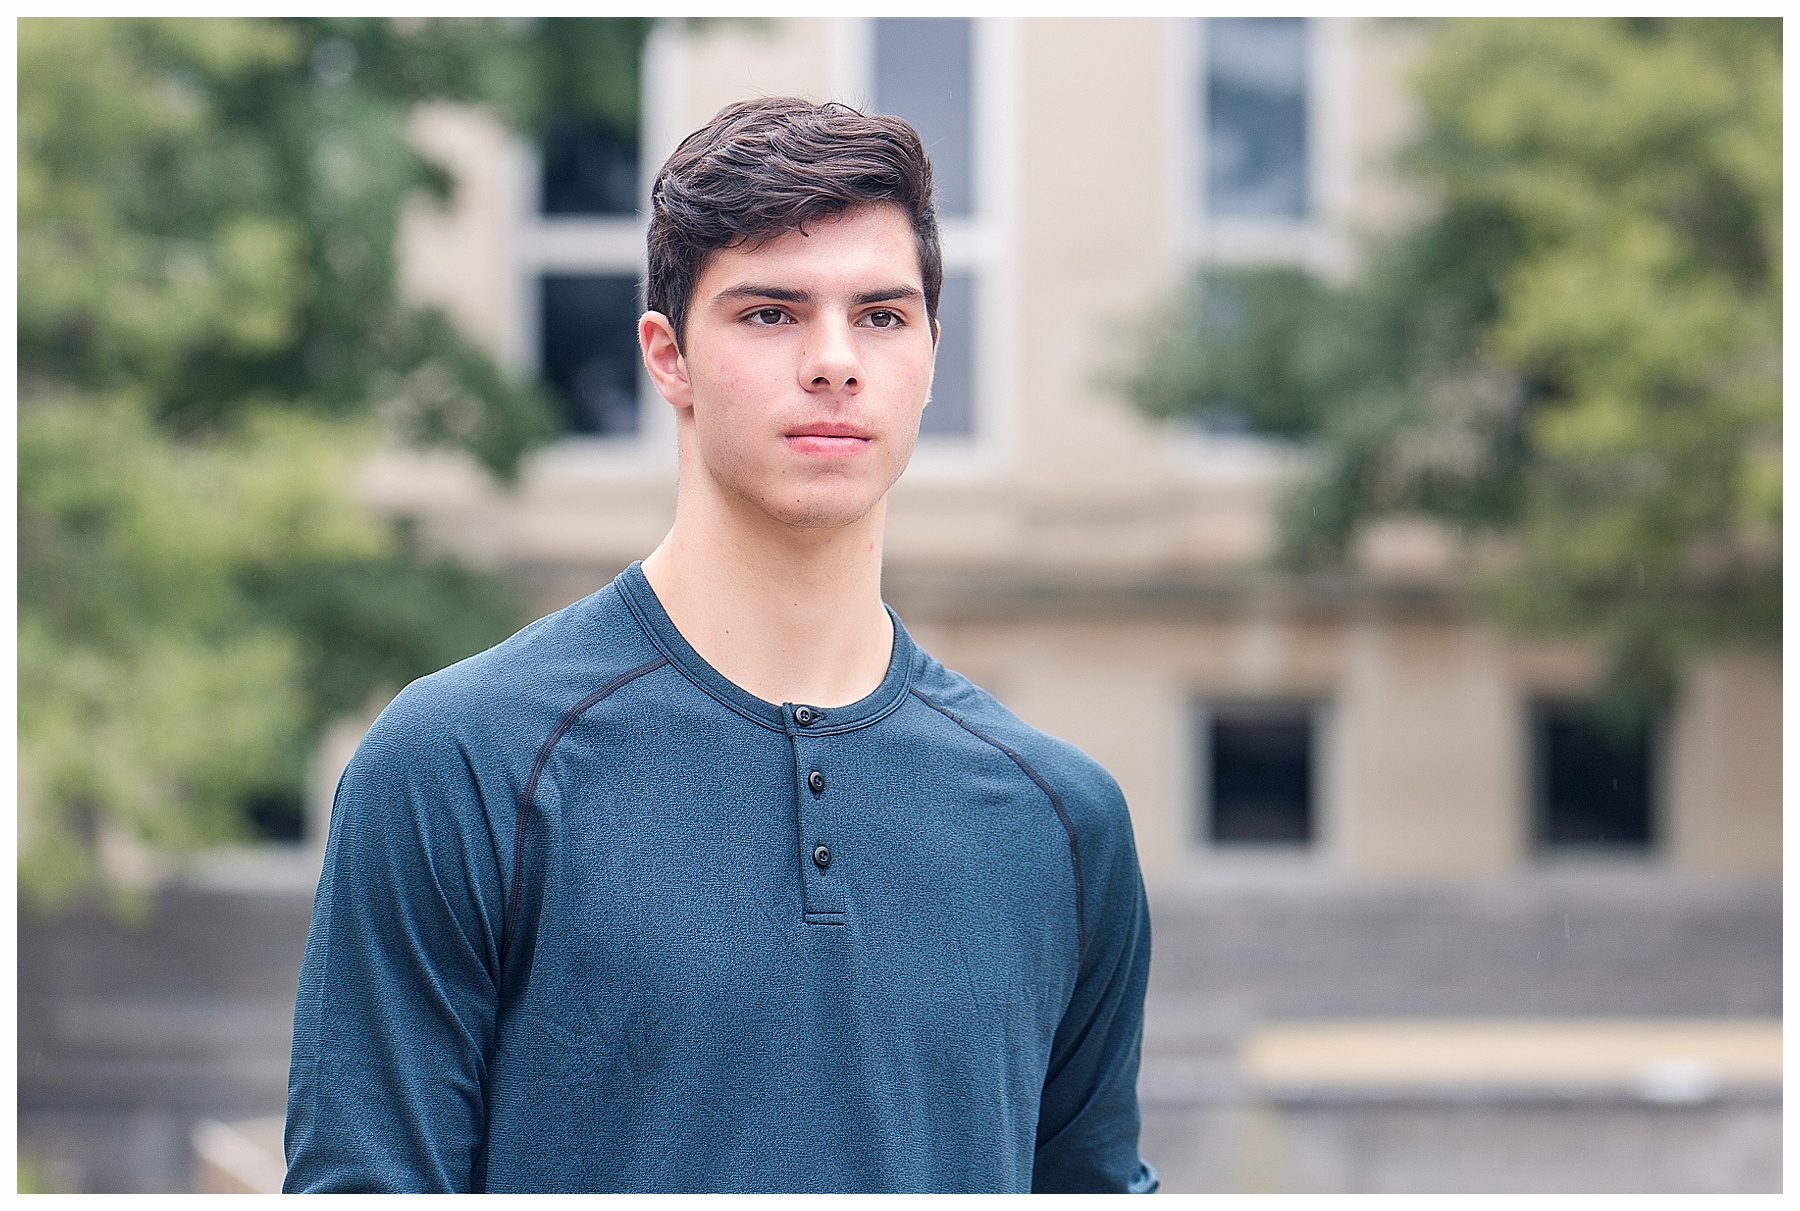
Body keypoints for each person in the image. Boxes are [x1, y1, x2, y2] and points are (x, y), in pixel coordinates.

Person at [283, 96, 1157, 1195]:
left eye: (882, 316)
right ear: (668, 356)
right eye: (770, 314)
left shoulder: (1064, 821)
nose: (836, 361)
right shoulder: (459, 764)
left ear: (933, 350)